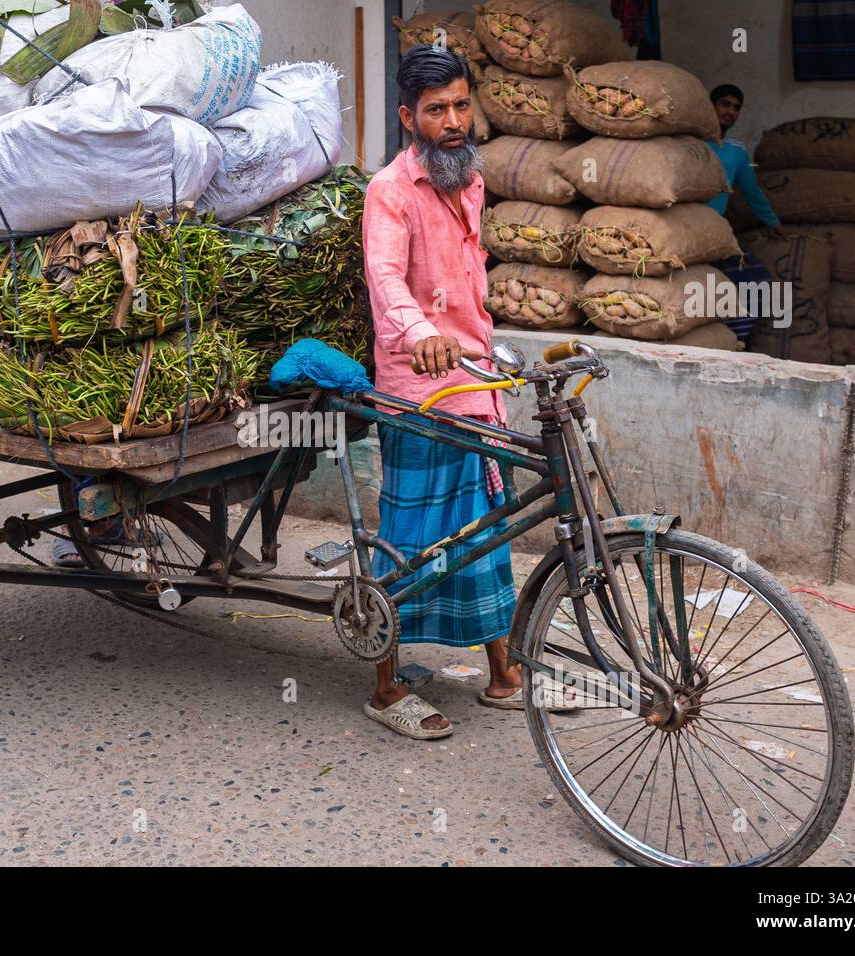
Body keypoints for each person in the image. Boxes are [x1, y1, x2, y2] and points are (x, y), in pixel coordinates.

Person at [359, 45, 570, 740]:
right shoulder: (391, 190)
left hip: (476, 381)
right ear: (407, 117)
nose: (452, 121)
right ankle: (387, 688)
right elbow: (386, 280)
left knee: (484, 531)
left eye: (459, 105)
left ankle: (504, 672)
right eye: (435, 110)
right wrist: (421, 331)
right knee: (414, 539)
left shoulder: (469, 179)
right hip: (417, 388)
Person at [706, 84, 784, 236]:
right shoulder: (691, 143)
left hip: (714, 226)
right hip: (684, 220)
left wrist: (773, 223)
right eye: (725, 104)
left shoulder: (737, 150)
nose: (731, 111)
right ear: (710, 106)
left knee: (751, 261)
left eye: (736, 108)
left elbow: (752, 191)